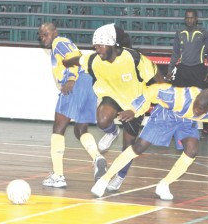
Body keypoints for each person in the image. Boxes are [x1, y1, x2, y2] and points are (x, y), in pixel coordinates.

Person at [91, 83, 208, 200]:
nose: (197, 110)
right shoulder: (179, 97)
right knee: (139, 146)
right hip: (167, 114)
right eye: (196, 106)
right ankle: (105, 179)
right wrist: (135, 109)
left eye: (201, 110)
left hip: (186, 122)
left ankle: (164, 184)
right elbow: (153, 91)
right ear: (195, 99)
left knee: (192, 149)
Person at [62, 23, 165, 191]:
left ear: (112, 44)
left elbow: (157, 77)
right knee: (102, 120)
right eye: (95, 46)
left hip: (135, 104)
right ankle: (111, 131)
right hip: (113, 97)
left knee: (128, 148)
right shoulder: (95, 59)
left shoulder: (134, 58)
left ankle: (120, 176)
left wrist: (168, 98)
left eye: (101, 45)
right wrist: (66, 61)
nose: (98, 49)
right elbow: (78, 60)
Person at [38, 22, 107, 188]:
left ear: (55, 32)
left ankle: (58, 176)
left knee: (58, 129)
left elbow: (72, 58)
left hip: (75, 83)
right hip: (89, 83)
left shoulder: (58, 43)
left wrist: (70, 78)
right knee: (80, 129)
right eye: (41, 35)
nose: (43, 38)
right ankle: (97, 157)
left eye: (46, 34)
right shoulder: (65, 41)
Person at [166, 8, 208, 135]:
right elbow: (175, 53)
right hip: (183, 69)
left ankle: (205, 126)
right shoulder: (180, 32)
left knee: (201, 98)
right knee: (178, 98)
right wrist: (170, 69)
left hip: (198, 69)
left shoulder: (204, 32)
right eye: (187, 17)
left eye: (192, 17)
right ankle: (175, 124)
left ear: (197, 19)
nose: (189, 20)